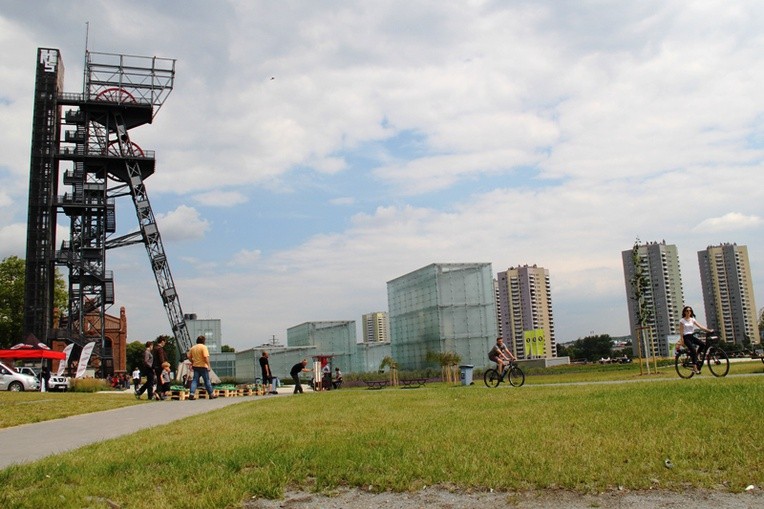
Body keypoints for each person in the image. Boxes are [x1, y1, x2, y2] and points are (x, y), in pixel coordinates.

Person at [677, 305, 712, 374]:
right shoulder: (682, 320)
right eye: (687, 311)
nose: (688, 312)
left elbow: (700, 326)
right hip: (686, 337)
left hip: (692, 336)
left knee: (702, 344)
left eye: (690, 311)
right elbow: (681, 331)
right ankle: (695, 368)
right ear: (684, 312)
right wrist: (681, 340)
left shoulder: (692, 319)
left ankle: (697, 354)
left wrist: (708, 330)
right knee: (693, 350)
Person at [188, 335, 217, 400]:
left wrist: (192, 362)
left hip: (196, 366)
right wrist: (209, 365)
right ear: (203, 341)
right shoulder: (203, 347)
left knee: (195, 381)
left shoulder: (193, 348)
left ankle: (191, 394)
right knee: (207, 381)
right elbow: (206, 357)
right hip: (203, 366)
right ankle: (211, 394)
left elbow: (189, 356)